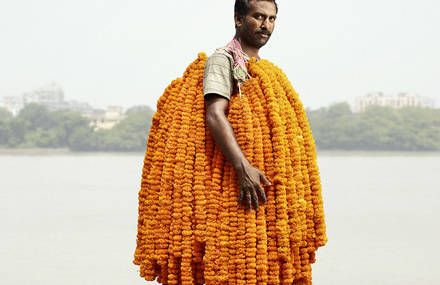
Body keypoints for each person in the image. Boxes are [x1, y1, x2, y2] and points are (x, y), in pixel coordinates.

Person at [204, 0, 278, 212]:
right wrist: (243, 167)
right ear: (238, 19)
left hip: (261, 187)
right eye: (258, 16)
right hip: (235, 183)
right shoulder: (222, 59)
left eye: (271, 19)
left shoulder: (263, 68)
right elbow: (215, 114)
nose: (266, 25)